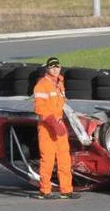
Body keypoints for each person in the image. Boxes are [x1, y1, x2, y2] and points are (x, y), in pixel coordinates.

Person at [31, 57, 79, 200]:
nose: (55, 69)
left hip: (59, 125)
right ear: (47, 69)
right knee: (48, 159)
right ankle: (44, 191)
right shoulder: (42, 85)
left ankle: (66, 190)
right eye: (52, 67)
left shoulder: (59, 83)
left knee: (64, 158)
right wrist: (53, 122)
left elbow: (62, 104)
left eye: (57, 67)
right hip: (47, 127)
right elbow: (40, 108)